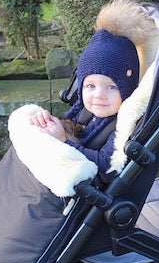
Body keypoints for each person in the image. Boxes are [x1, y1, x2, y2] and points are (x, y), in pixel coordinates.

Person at [30, 28, 140, 178]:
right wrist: (48, 121)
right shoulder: (85, 111)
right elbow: (66, 125)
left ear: (126, 90)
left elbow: (107, 164)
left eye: (111, 87)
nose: (99, 95)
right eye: (91, 86)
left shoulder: (122, 127)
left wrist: (63, 141)